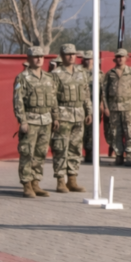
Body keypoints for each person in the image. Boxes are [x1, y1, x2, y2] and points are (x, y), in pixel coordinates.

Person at [14, 47, 58, 197]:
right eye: (35, 56)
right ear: (29, 58)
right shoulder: (22, 77)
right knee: (27, 152)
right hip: (31, 120)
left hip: (46, 120)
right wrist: (23, 121)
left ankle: (36, 183)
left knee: (40, 153)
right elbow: (18, 101)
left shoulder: (49, 77)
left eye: (41, 56)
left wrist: (55, 117)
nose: (39, 59)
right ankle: (26, 183)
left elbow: (53, 99)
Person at [51, 44, 90, 192]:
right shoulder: (56, 74)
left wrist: (88, 111)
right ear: (62, 55)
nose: (71, 56)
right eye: (68, 54)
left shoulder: (81, 72)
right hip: (63, 114)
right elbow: (52, 97)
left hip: (79, 114)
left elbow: (86, 93)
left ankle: (72, 180)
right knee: (61, 148)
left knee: (75, 148)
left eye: (73, 54)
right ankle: (61, 180)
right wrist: (55, 116)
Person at [102, 48, 131, 167]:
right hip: (114, 107)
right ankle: (119, 155)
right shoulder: (110, 73)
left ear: (126, 58)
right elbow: (104, 92)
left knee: (129, 131)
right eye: (118, 56)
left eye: (122, 56)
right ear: (115, 58)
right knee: (115, 132)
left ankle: (128, 155)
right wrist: (106, 107)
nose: (120, 59)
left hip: (128, 106)